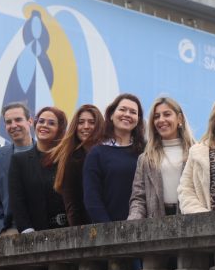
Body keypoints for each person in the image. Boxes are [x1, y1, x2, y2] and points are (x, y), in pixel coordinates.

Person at [129, 97, 195, 219]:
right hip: (155, 223)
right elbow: (138, 198)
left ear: (179, 118)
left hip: (191, 221)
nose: (161, 120)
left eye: (167, 114)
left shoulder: (196, 153)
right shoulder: (145, 159)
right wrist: (133, 221)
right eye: (156, 116)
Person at [83, 94, 146, 222]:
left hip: (146, 226)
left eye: (133, 112)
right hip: (110, 229)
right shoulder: (97, 153)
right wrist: (108, 229)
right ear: (111, 115)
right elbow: (92, 198)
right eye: (122, 109)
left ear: (138, 120)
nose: (127, 114)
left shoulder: (146, 151)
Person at [10, 106, 68, 233]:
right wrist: (26, 230)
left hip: (72, 231)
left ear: (60, 129)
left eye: (51, 123)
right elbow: (17, 200)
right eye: (41, 121)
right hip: (36, 234)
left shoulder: (69, 159)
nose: (44, 125)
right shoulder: (19, 161)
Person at [50, 104, 104, 226]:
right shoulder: (71, 159)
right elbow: (72, 205)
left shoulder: (107, 154)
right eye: (81, 122)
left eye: (91, 122)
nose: (86, 126)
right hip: (85, 228)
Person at [0, 102, 34, 236]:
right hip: (12, 231)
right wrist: (2, 230)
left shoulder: (45, 153)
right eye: (8, 122)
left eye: (18, 120)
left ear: (30, 121)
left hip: (44, 228)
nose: (13, 125)